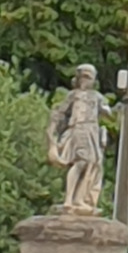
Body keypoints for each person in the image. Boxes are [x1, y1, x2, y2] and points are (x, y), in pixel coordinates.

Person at [47, 64, 114, 214]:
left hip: (92, 132)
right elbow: (61, 112)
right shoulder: (73, 95)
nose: (85, 80)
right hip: (79, 129)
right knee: (81, 161)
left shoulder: (96, 96)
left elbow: (107, 111)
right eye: (83, 77)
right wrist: (53, 131)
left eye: (89, 77)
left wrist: (107, 110)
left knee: (92, 164)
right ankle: (69, 199)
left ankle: (79, 198)